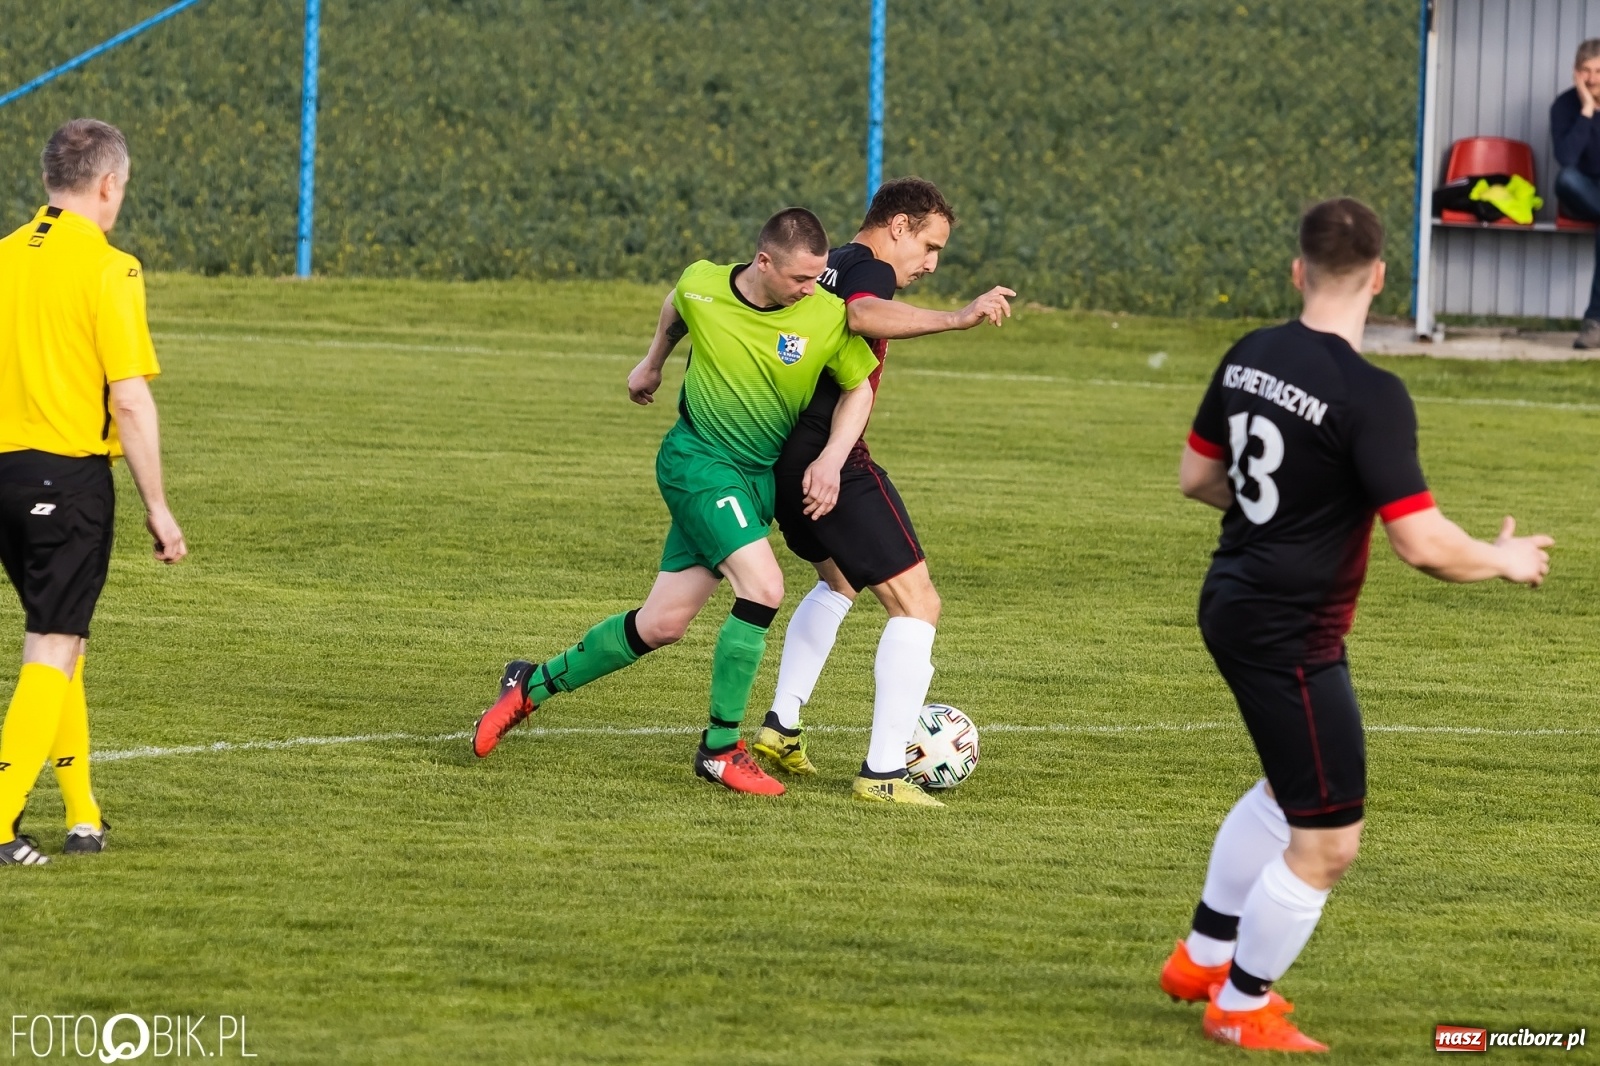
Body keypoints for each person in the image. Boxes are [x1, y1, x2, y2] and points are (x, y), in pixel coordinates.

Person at [1159, 198, 1552, 1051]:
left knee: (1283, 789)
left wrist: (1285, 513)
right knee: (1330, 840)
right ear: (1381, 277)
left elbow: (1197, 478)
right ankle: (1240, 1004)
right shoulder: (1370, 394)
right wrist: (1505, 557)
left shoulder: (1250, 351)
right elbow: (1421, 543)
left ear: (1298, 271)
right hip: (1290, 634)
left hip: (1230, 601)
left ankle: (1200, 959)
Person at [471, 208, 879, 796]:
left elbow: (858, 387)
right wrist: (651, 363)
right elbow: (675, 306)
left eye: (817, 277)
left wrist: (831, 458)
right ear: (764, 262)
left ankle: (528, 686)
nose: (810, 288)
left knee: (662, 624)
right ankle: (721, 748)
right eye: (799, 278)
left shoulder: (823, 312)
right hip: (697, 464)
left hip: (754, 480)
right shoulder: (704, 284)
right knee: (764, 587)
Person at [748, 177, 1013, 806]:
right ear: (898, 225)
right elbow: (865, 314)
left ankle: (781, 728)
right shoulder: (868, 268)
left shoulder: (830, 260)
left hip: (784, 453)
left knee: (838, 581)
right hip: (827, 458)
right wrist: (959, 317)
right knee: (918, 605)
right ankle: (885, 773)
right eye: (930, 245)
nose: (931, 263)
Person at [0, 119, 187, 866]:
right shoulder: (112, 268)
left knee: (58, 634)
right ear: (108, 184)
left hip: (4, 475)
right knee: (53, 645)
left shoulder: (6, 254)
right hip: (67, 478)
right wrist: (158, 505)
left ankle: (83, 816)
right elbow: (130, 400)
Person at [1551, 38, 1600, 348]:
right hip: (1581, 193)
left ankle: (1594, 322)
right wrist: (1586, 110)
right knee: (1565, 178)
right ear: (1576, 73)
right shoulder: (1564, 106)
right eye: (1586, 71)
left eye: (1598, 71)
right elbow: (1566, 158)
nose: (1593, 78)